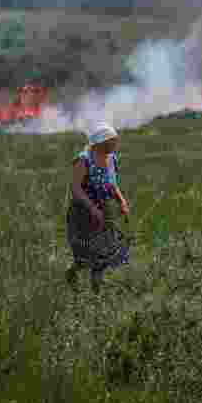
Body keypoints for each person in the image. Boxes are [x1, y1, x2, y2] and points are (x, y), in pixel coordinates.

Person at [65, 123, 131, 293]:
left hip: (103, 210)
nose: (115, 144)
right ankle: (72, 273)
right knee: (85, 253)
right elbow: (76, 189)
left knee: (104, 252)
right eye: (112, 141)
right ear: (101, 143)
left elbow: (112, 185)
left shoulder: (111, 159)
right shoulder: (84, 160)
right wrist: (93, 209)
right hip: (83, 213)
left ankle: (97, 289)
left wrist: (121, 202)